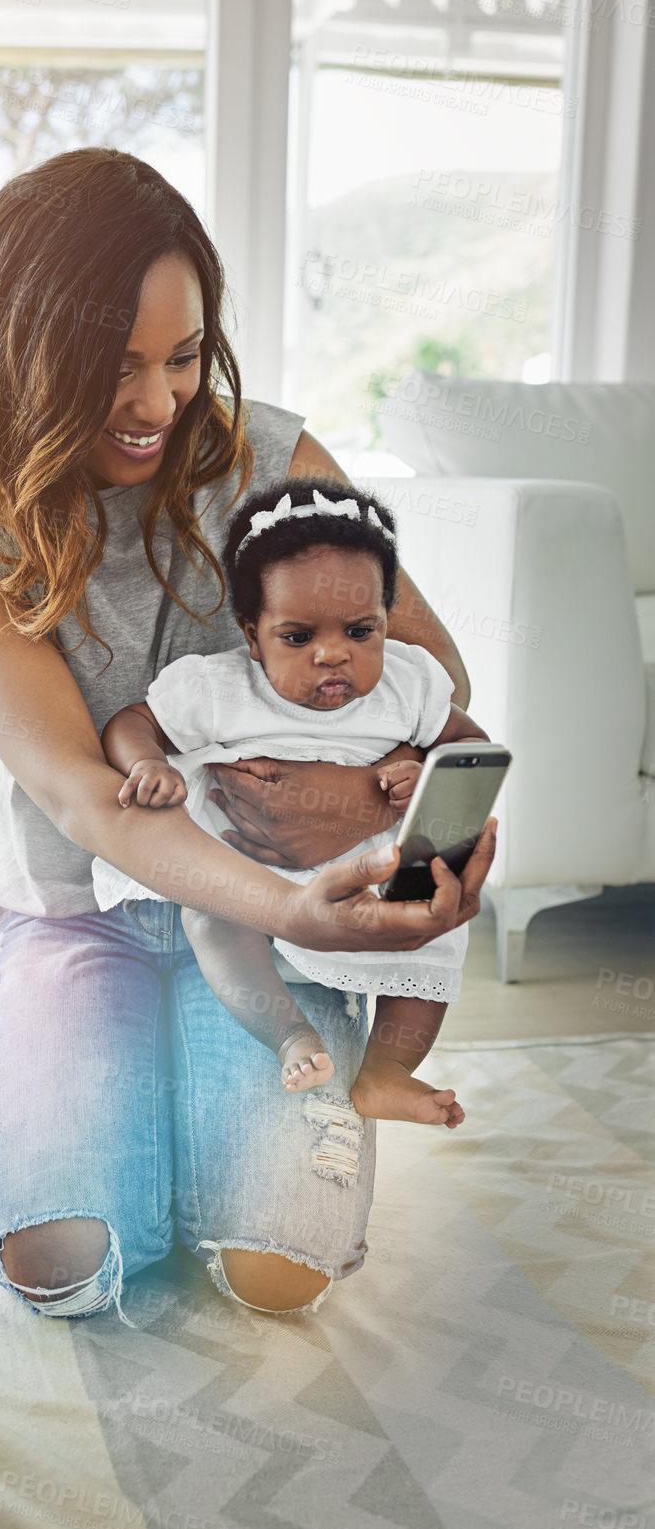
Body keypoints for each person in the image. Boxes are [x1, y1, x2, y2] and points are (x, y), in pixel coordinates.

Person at [0, 146, 494, 1323]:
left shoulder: (274, 460)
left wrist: (378, 809)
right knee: (62, 1262)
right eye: (113, 369)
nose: (159, 404)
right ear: (26, 356)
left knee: (283, 1271)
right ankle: (99, 1046)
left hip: (277, 932)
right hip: (84, 908)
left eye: (182, 359)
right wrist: (283, 904)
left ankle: (196, 1077)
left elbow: (432, 676)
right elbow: (80, 792)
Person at [93, 478, 490, 1124]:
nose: (333, 654)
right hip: (250, 871)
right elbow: (130, 724)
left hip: (364, 875)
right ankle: (288, 1033)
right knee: (213, 921)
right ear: (252, 637)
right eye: (297, 637)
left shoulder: (406, 685)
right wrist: (145, 764)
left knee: (436, 931)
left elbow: (467, 745)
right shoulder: (219, 688)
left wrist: (423, 772)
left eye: (360, 631)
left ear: (387, 621)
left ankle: (386, 1069)